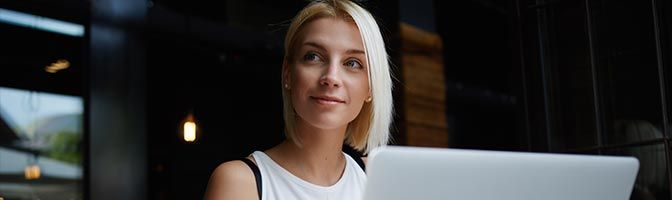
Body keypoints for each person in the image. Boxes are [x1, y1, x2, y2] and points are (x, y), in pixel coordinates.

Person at [203, 0, 394, 199]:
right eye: (313, 56)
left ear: (370, 86)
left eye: (352, 63)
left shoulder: (377, 180)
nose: (331, 77)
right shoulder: (240, 182)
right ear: (288, 74)